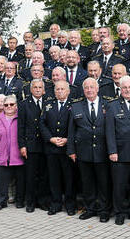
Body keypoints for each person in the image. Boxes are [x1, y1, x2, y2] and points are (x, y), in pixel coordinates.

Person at [68, 78, 111, 222]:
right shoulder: (76, 106)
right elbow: (71, 131)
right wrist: (71, 151)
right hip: (83, 151)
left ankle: (104, 210)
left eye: (92, 87)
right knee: (87, 183)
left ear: (97, 88)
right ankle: (90, 208)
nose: (89, 90)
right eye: (86, 87)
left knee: (103, 183)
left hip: (103, 151)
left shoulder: (108, 104)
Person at [106, 75, 130, 225]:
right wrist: (112, 151)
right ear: (120, 89)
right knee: (119, 185)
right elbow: (109, 131)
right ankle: (120, 212)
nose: (127, 90)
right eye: (124, 88)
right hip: (120, 153)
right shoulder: (113, 105)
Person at [40, 80, 75, 216]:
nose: (59, 91)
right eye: (57, 89)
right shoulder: (48, 105)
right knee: (54, 178)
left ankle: (70, 205)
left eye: (62, 89)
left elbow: (75, 125)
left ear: (68, 91)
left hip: (67, 149)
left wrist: (67, 139)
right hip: (52, 148)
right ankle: (56, 204)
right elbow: (42, 124)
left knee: (69, 178)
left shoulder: (74, 105)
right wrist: (51, 138)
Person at [18, 79, 50, 212]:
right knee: (30, 176)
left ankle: (41, 201)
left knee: (44, 175)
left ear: (44, 90)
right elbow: (21, 127)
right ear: (31, 89)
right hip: (30, 145)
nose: (37, 89)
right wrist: (22, 145)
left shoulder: (48, 104)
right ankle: (30, 202)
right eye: (35, 87)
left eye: (40, 87)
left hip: (45, 145)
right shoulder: (24, 104)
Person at [0, 95, 25, 211]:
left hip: (18, 156)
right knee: (1, 182)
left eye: (11, 104)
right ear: (3, 107)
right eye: (6, 105)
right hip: (3, 156)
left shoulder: (21, 117)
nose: (9, 107)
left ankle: (20, 201)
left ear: (16, 106)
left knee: (20, 181)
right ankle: (1, 201)